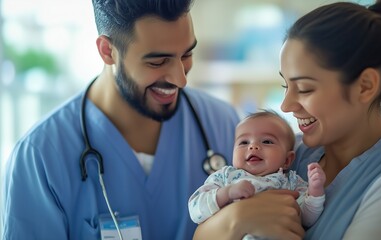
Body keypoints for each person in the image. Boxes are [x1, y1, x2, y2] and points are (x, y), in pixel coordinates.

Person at [0, 0, 240, 239]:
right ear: (107, 51)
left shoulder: (225, 127)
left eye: (187, 54)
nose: (180, 79)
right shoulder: (39, 158)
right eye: (157, 62)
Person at [193, 0, 381, 239]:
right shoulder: (284, 151)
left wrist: (231, 224)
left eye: (304, 88)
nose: (286, 105)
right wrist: (238, 219)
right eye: (286, 85)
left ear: (365, 86)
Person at [188, 111, 326, 238]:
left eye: (267, 141)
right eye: (244, 142)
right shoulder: (224, 177)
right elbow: (196, 210)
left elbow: (307, 219)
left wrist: (315, 193)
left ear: (287, 160)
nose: (253, 146)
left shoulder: (292, 182)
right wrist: (226, 193)